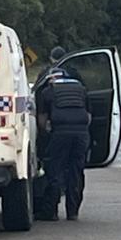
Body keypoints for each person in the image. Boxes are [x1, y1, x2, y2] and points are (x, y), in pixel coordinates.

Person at [36, 68, 91, 221]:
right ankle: (73, 212)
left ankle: (51, 212)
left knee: (55, 171)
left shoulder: (47, 92)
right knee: (76, 171)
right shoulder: (82, 90)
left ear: (50, 79)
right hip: (81, 135)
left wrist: (45, 136)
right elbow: (88, 115)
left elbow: (42, 121)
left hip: (60, 133)